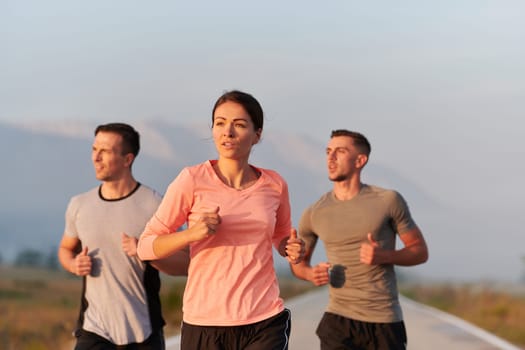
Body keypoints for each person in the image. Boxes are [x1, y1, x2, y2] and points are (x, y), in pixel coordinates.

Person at [137, 90, 305, 350]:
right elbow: (146, 246)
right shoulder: (192, 180)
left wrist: (290, 247)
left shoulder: (275, 184)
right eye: (220, 123)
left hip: (264, 317)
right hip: (205, 321)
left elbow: (281, 235)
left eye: (239, 125)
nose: (228, 132)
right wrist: (191, 234)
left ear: (257, 134)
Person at [290, 129, 429, 350]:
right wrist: (308, 273)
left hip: (383, 321)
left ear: (360, 160)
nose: (331, 157)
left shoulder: (388, 201)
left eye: (340, 151)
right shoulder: (314, 212)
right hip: (337, 320)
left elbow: (420, 251)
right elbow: (298, 264)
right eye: (328, 151)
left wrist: (384, 255)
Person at [58, 122, 188, 350]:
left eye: (105, 151)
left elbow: (186, 261)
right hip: (94, 327)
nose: (95, 158)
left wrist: (146, 251)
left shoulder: (154, 205)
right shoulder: (79, 205)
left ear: (128, 159)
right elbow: (65, 249)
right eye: (94, 149)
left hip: (143, 331)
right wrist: (73, 264)